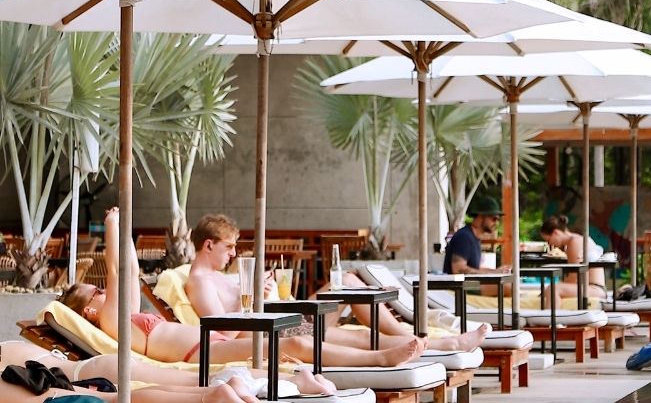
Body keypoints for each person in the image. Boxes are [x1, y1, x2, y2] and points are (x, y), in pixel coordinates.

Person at [58, 208, 421, 370]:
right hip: (198, 355)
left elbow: (131, 269)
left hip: (210, 344)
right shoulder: (110, 324)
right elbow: (119, 269)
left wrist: (122, 227)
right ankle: (381, 358)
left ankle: (400, 346)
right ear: (89, 308)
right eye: (96, 291)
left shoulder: (128, 318)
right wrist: (111, 225)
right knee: (290, 343)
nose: (103, 292)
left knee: (295, 339)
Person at [185, 213, 487, 352]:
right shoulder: (199, 281)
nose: (234, 254)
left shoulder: (219, 276)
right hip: (271, 331)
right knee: (355, 337)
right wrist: (248, 296)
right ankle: (437, 343)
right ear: (208, 245)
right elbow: (224, 329)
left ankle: (415, 335)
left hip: (282, 317)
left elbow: (246, 310)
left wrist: (263, 292)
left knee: (348, 280)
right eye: (228, 247)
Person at [0, 340, 335, 402]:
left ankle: (214, 394)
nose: (100, 292)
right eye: (94, 292)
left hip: (62, 380)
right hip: (64, 380)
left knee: (121, 400)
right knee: (120, 399)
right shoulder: (10, 349)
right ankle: (215, 392)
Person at [539, 215, 607, 301]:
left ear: (556, 232)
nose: (550, 244)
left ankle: (552, 314)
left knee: (553, 289)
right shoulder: (577, 239)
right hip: (593, 287)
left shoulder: (574, 243)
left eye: (548, 240)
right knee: (552, 288)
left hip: (594, 289)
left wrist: (556, 287)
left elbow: (574, 277)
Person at [443, 197, 509, 275]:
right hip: (460, 286)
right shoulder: (464, 237)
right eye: (494, 219)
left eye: (498, 220)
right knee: (508, 286)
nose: (496, 223)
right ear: (481, 217)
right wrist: (494, 273)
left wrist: (496, 272)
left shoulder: (473, 238)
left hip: (471, 285)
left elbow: (475, 269)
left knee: (510, 284)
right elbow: (458, 269)